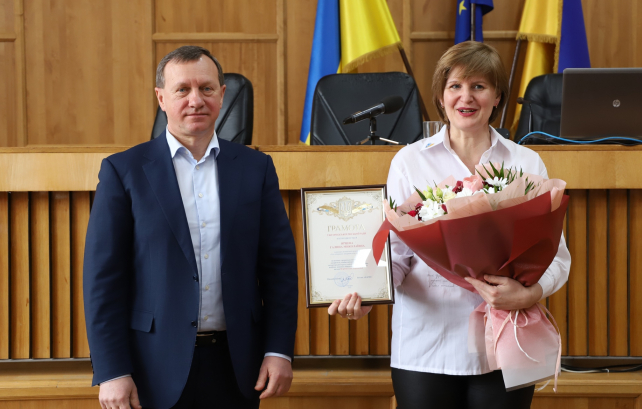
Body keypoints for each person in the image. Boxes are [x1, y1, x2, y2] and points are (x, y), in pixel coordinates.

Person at [329, 41, 571, 408]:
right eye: (455, 86)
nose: (466, 97)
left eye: (479, 86)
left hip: (505, 340)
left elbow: (556, 255)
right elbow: (394, 254)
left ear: (497, 96)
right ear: (441, 98)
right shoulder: (410, 161)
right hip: (427, 347)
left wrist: (529, 294)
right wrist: (366, 294)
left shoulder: (527, 162)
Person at [83, 46, 298, 409]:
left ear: (222, 95)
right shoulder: (124, 171)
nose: (195, 100)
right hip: (151, 368)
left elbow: (279, 269)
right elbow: (103, 280)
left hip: (236, 366)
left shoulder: (255, 168)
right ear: (161, 98)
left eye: (207, 88)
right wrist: (111, 369)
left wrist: (279, 350)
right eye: (182, 89)